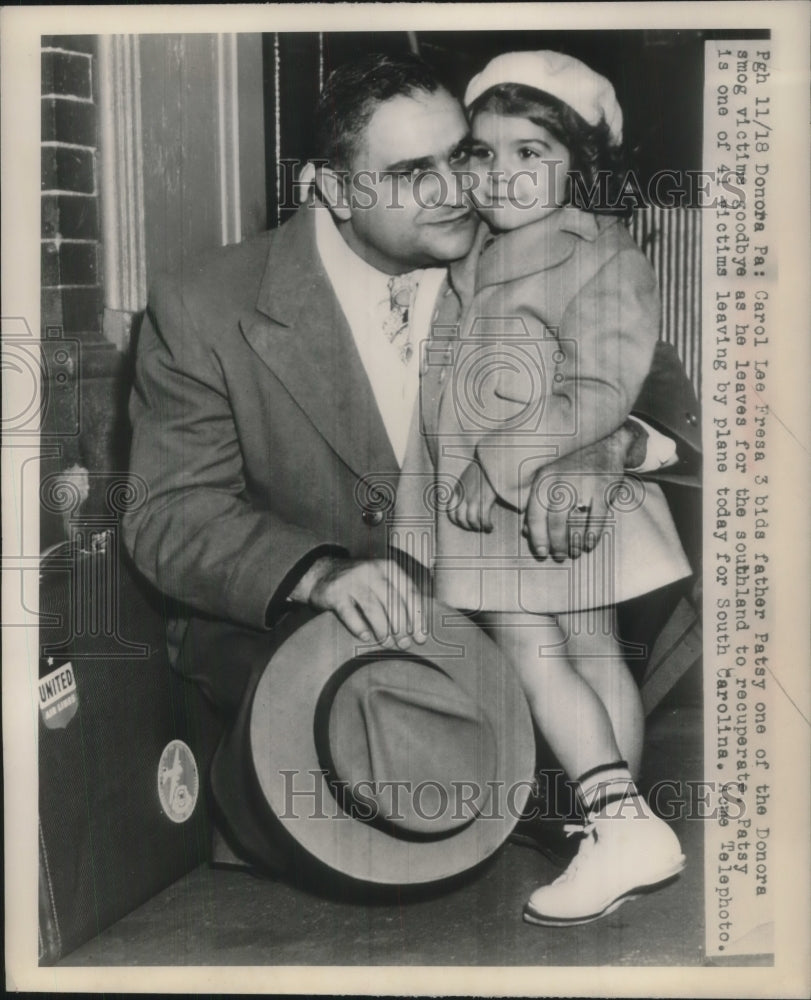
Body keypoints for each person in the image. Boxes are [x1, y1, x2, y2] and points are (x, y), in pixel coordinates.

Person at [122, 51, 701, 882]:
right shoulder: (205, 304)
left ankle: (602, 825)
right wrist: (317, 573)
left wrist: (610, 447)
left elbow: (667, 402)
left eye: (463, 153)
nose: (462, 187)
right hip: (333, 687)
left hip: (523, 643)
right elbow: (168, 513)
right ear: (331, 187)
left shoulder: (539, 246)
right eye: (410, 172)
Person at [400, 49, 690, 926]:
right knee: (585, 647)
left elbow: (600, 387)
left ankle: (613, 818)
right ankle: (617, 829)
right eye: (483, 154)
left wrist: (500, 460)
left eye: (532, 153)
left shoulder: (600, 256)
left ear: (580, 163)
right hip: (519, 509)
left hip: (525, 501)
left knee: (538, 654)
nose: (504, 176)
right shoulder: (473, 251)